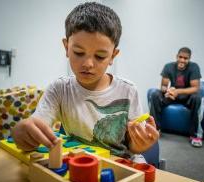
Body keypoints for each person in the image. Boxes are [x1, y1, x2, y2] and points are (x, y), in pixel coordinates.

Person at [11, 2, 159, 163]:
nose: (88, 63)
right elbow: (38, 124)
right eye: (79, 52)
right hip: (79, 162)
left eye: (100, 56)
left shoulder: (127, 90)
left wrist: (141, 144)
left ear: (113, 56)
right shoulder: (59, 89)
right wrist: (24, 133)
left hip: (122, 162)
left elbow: (132, 147)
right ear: (66, 47)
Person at [149, 47, 203, 147]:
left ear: (189, 59)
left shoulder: (194, 67)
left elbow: (195, 88)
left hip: (187, 97)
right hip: (172, 96)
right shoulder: (168, 66)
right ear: (176, 56)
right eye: (180, 57)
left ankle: (195, 135)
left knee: (197, 98)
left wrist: (177, 91)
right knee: (155, 94)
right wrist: (167, 91)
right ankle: (155, 129)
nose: (182, 60)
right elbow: (164, 86)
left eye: (185, 58)